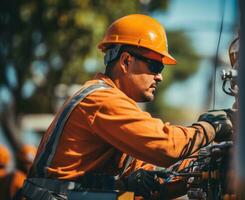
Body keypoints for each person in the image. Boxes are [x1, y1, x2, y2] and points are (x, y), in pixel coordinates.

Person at [23, 14, 233, 199]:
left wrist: (209, 164)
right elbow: (167, 147)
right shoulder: (102, 100)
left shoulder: (119, 112)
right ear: (125, 61)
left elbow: (158, 178)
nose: (159, 76)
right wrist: (212, 126)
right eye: (155, 66)